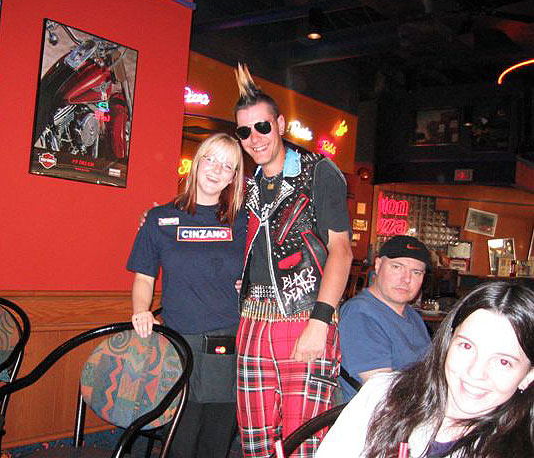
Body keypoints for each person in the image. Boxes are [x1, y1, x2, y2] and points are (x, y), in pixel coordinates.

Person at [233, 64, 354, 458]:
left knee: (304, 440)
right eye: (244, 131)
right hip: (252, 320)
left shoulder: (319, 171)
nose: (254, 138)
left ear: (280, 124)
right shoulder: (249, 185)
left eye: (262, 126)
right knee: (255, 441)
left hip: (304, 317)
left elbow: (341, 250)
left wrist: (319, 322)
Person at [127, 133, 247, 458]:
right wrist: (141, 309)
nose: (216, 170)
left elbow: (268, 267)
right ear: (196, 163)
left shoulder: (245, 222)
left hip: (229, 340)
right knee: (180, 438)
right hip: (179, 341)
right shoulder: (159, 219)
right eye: (211, 159)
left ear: (234, 177)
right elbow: (144, 277)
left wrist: (249, 284)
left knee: (216, 441)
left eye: (227, 165)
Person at [316, 281, 534, 457]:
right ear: (447, 343)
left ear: (528, 376)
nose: (475, 373)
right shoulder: (383, 395)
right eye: (467, 346)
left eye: (503, 361)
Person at [338, 235, 432, 401]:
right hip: (383, 414)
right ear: (378, 265)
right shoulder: (360, 314)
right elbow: (383, 394)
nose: (406, 279)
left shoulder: (412, 316)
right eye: (397, 267)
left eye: (416, 272)